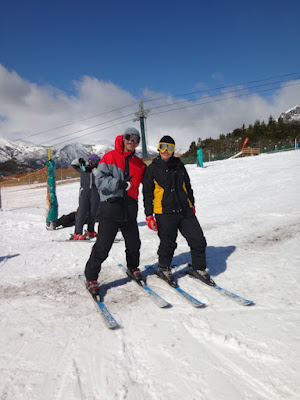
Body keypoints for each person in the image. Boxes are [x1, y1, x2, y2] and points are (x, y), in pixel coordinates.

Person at [143, 135, 215, 287]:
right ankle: (164, 268)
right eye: (163, 147)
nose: (166, 151)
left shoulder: (179, 165)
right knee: (168, 243)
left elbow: (187, 186)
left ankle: (198, 268)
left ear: (174, 150)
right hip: (164, 211)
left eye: (170, 148)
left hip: (184, 209)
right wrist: (149, 214)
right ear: (159, 148)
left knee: (198, 240)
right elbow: (147, 194)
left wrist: (192, 203)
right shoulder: (152, 169)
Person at [84, 127, 146, 295]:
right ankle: (91, 277)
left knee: (134, 243)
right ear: (123, 138)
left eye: (136, 139)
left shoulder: (139, 164)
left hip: (130, 207)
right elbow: (100, 180)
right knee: (103, 246)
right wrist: (118, 184)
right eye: (129, 138)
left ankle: (133, 267)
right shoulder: (109, 157)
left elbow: (149, 184)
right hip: (111, 206)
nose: (132, 142)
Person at [71, 154, 101, 240]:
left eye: (95, 162)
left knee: (93, 211)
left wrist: (94, 169)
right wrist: (79, 160)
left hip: (95, 191)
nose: (92, 163)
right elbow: (73, 164)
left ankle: (90, 230)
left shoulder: (97, 170)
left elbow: (99, 176)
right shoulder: (83, 168)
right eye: (91, 161)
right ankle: (77, 232)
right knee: (82, 211)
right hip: (84, 191)